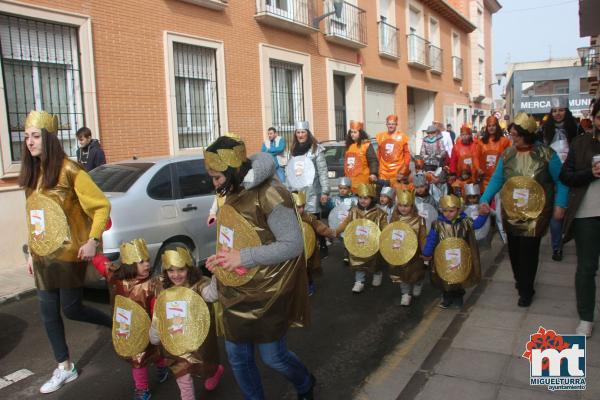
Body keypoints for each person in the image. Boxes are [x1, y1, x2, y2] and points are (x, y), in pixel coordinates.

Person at [204, 135, 315, 400]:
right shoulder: (231, 192)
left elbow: (292, 245)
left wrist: (243, 257)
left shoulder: (271, 194)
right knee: (238, 358)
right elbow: (234, 236)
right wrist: (221, 261)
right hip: (235, 290)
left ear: (233, 170)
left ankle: (305, 382)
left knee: (273, 357)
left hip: (267, 293)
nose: (214, 183)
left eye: (218, 177)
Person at [19, 110, 112, 394]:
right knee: (48, 312)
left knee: (72, 309)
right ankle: (64, 366)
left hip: (69, 254)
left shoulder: (70, 170)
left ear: (48, 138)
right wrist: (30, 255)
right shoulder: (32, 174)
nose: (29, 142)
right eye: (26, 137)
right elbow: (36, 216)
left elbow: (101, 206)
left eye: (35, 136)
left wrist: (93, 240)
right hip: (43, 256)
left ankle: (114, 321)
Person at [480, 112, 569, 307]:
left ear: (528, 135)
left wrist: (560, 204)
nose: (513, 138)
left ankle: (526, 289)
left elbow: (562, 181)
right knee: (514, 251)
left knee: (529, 251)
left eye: (516, 135)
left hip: (536, 213)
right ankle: (521, 282)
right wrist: (485, 199)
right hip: (512, 211)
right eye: (511, 134)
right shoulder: (508, 154)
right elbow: (497, 178)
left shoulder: (547, 155)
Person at [91, 239, 169, 400]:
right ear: (129, 264)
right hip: (128, 328)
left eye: (147, 260)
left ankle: (158, 372)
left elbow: (156, 308)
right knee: (138, 359)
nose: (147, 264)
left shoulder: (151, 285)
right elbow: (104, 265)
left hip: (147, 328)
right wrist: (92, 254)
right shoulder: (117, 278)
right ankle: (144, 386)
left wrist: (157, 327)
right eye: (141, 262)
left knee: (154, 351)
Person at [150, 245, 224, 400]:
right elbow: (160, 313)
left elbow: (212, 295)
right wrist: (155, 333)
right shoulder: (163, 288)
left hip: (198, 341)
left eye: (181, 270)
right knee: (182, 375)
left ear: (189, 269)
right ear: (165, 271)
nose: (176, 275)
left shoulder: (199, 284)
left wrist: (217, 275)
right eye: (171, 270)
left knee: (204, 366)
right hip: (176, 342)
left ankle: (215, 370)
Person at [559, 100, 600, 337]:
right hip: (587, 214)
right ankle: (586, 318)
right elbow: (566, 176)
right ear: (594, 119)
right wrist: (590, 174)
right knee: (586, 268)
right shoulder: (581, 143)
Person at [423, 194, 488, 308]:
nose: (448, 214)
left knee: (459, 278)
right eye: (445, 211)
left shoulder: (465, 222)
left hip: (460, 257)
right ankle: (447, 298)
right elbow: (431, 239)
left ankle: (458, 298)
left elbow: (476, 224)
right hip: (444, 258)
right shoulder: (437, 224)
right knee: (444, 278)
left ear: (458, 210)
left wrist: (482, 215)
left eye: (451, 211)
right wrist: (427, 253)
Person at [541, 97, 579, 261]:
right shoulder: (544, 130)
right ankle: (557, 247)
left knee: (574, 213)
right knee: (556, 214)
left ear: (566, 111)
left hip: (573, 175)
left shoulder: (576, 129)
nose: (557, 114)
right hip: (552, 177)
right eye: (554, 111)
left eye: (561, 110)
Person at [335, 183, 388, 293]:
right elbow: (346, 223)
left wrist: (387, 235)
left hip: (374, 242)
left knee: (375, 260)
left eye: (366, 198)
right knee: (358, 260)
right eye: (360, 198)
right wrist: (335, 232)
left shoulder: (379, 213)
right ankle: (359, 281)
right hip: (358, 241)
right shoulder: (354, 211)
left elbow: (385, 227)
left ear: (372, 199)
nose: (362, 200)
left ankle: (377, 273)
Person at [289, 121, 330, 258]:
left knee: (314, 219)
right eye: (298, 132)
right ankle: (306, 245)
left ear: (308, 133)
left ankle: (322, 243)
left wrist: (325, 192)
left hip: (313, 190)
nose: (300, 135)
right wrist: (289, 189)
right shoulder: (293, 150)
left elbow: (323, 171)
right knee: (300, 219)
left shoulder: (316, 149)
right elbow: (290, 171)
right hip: (298, 190)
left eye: (303, 132)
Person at [293, 192, 336, 297]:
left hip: (308, 249)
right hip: (293, 250)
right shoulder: (287, 219)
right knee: (294, 270)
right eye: (298, 207)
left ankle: (309, 285)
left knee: (307, 269)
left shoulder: (309, 218)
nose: (301, 210)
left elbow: (321, 228)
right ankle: (296, 287)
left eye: (303, 206)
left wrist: (332, 233)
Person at [388, 190, 427, 306]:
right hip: (400, 252)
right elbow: (389, 235)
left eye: (406, 206)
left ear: (412, 206)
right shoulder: (394, 219)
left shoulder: (420, 220)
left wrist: (425, 253)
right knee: (402, 274)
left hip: (415, 254)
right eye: (400, 205)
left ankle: (418, 284)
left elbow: (423, 237)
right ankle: (405, 294)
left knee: (416, 272)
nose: (403, 208)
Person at [476, 116, 511, 193]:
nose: (491, 128)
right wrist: (478, 169)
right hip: (484, 179)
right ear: (486, 127)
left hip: (499, 178)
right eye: (489, 126)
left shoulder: (505, 141)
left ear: (497, 126)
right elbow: (476, 157)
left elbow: (510, 158)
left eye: (493, 125)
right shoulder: (481, 142)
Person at [343, 120, 378, 193]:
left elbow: (373, 161)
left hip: (363, 181)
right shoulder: (349, 146)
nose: (352, 134)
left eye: (355, 132)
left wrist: (373, 173)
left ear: (360, 133)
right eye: (351, 132)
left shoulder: (366, 145)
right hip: (350, 182)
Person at [376, 115, 411, 186]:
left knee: (396, 193)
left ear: (396, 125)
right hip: (383, 171)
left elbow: (407, 154)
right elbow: (379, 154)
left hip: (397, 171)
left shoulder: (402, 137)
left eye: (393, 124)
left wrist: (404, 168)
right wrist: (378, 167)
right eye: (389, 124)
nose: (391, 126)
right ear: (386, 124)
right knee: (384, 193)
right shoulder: (381, 136)